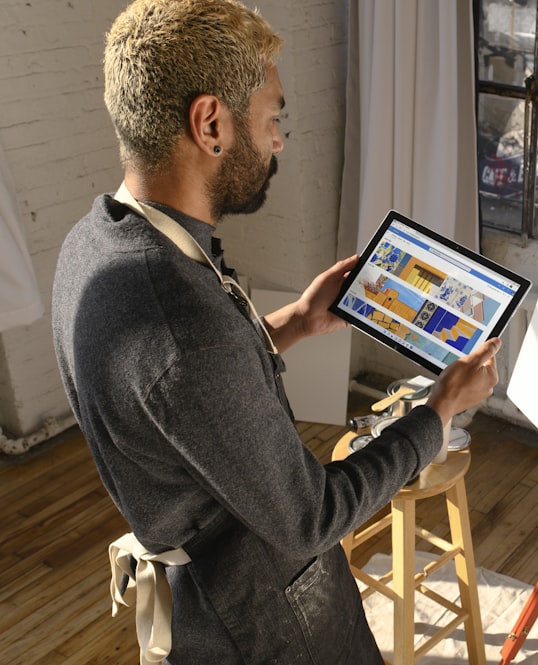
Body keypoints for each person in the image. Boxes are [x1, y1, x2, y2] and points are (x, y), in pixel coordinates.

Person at [50, 1, 500, 663]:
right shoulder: (181, 323)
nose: (279, 140)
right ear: (210, 124)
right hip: (261, 620)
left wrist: (290, 325)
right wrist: (439, 410)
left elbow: (182, 400)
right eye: (272, 117)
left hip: (212, 594)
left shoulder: (93, 243)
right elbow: (310, 517)